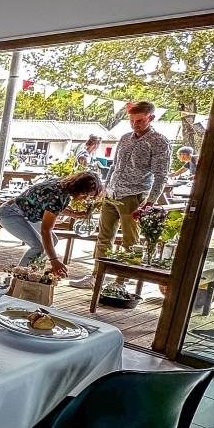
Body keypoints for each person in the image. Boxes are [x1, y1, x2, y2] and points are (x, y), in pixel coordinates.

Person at [69, 101, 171, 288]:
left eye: (139, 120)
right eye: (132, 120)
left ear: (151, 118)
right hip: (112, 192)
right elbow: (114, 167)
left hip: (134, 194)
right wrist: (105, 189)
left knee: (130, 240)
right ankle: (96, 276)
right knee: (103, 237)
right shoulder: (124, 138)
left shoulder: (159, 141)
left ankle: (121, 281)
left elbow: (161, 175)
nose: (135, 124)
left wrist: (150, 202)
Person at [0, 170, 104, 278]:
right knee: (38, 247)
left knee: (53, 241)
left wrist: (73, 214)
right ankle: (18, 278)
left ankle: (31, 274)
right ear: (79, 188)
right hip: (9, 214)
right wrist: (54, 260)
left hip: (24, 213)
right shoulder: (58, 196)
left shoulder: (62, 184)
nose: (86, 198)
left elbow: (49, 206)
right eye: (86, 194)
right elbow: (46, 230)